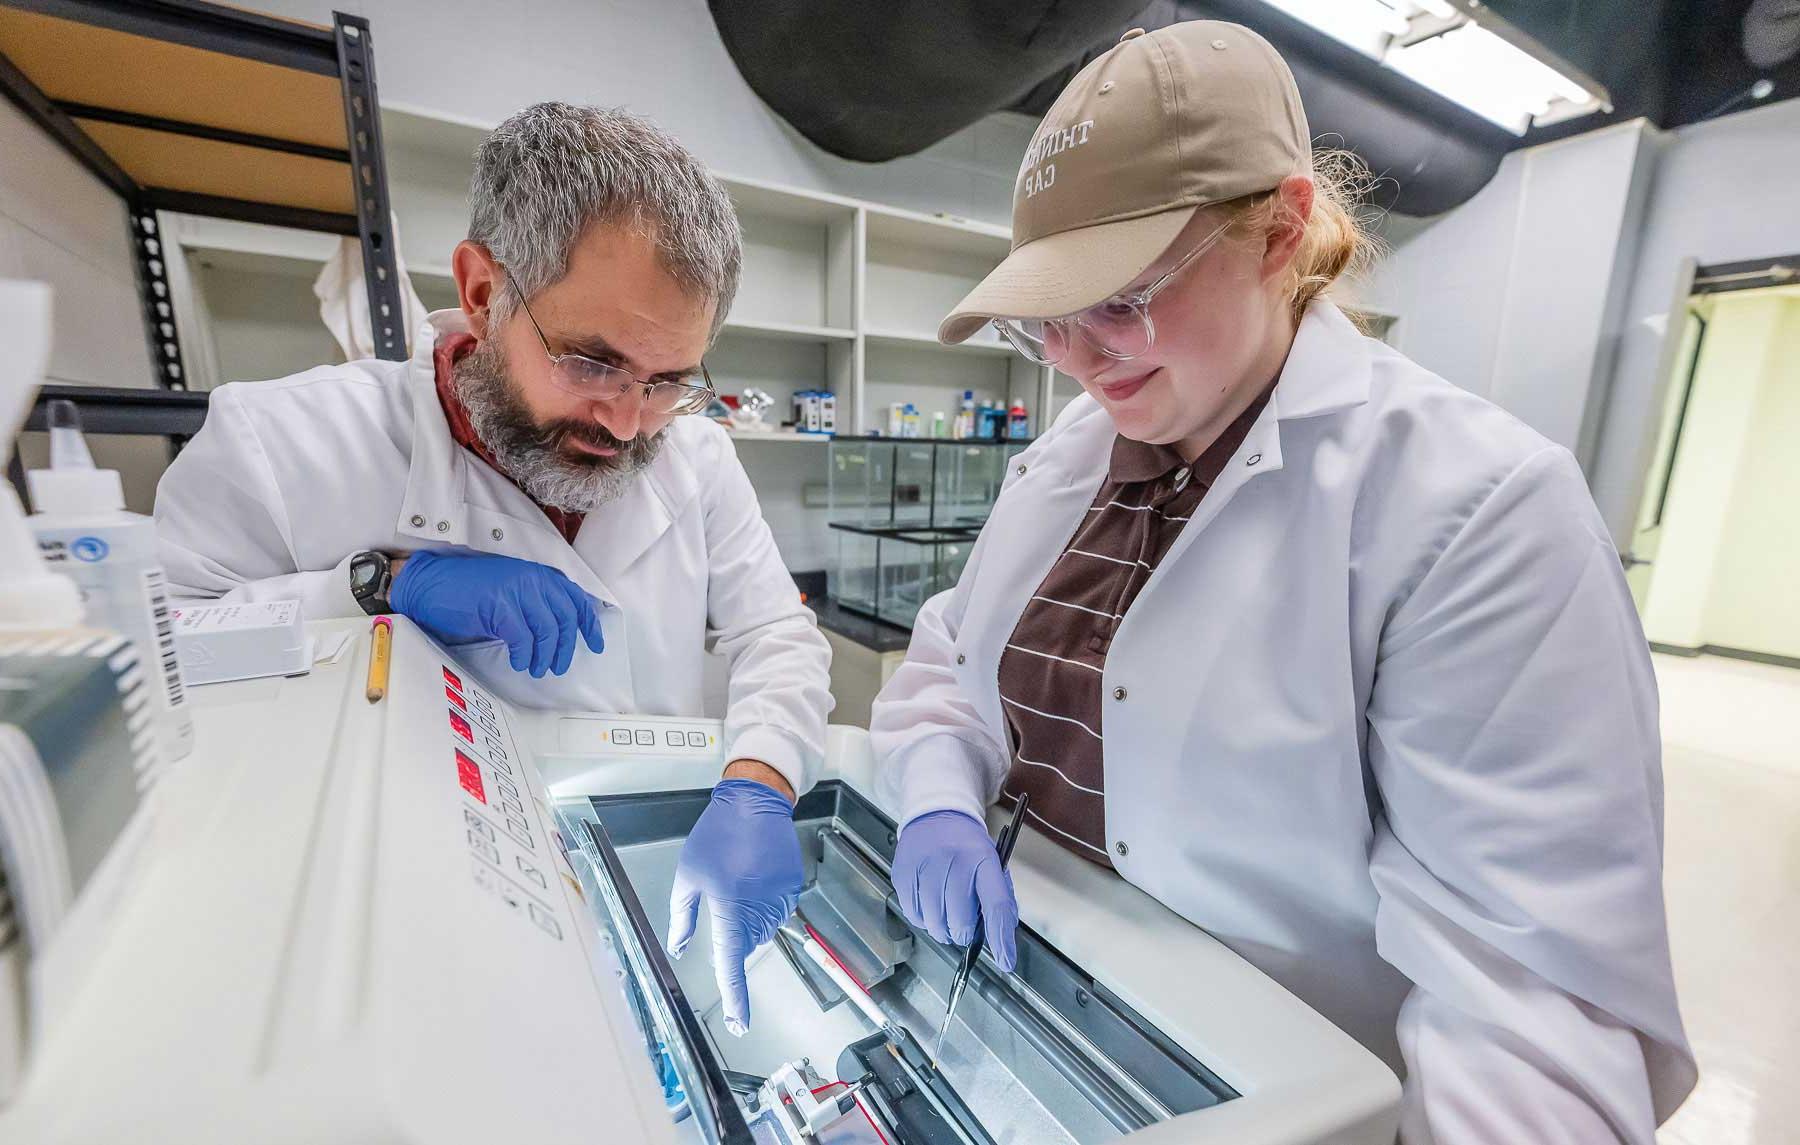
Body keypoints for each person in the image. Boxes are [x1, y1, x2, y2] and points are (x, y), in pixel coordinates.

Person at [870, 21, 1696, 1143]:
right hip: (1035, 1031)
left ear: (1280, 229)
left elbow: (1531, 1019)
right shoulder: (1064, 460)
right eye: (1048, 321)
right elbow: (947, 665)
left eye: (1119, 298)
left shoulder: (1475, 511)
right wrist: (935, 791)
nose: (1079, 356)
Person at [155, 102, 830, 1036]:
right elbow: (159, 648)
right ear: (481, 290)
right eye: (594, 361)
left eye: (669, 378)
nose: (631, 422)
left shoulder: (698, 459)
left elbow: (775, 631)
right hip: (413, 904)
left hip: (645, 865)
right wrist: (379, 588)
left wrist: (761, 778)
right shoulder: (286, 445)